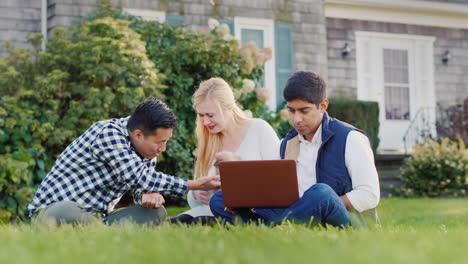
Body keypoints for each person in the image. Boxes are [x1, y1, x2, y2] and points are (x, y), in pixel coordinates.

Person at [210, 71, 380, 228]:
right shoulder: (287, 143)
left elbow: (369, 194)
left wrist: (316, 205)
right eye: (291, 111)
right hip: (295, 211)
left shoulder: (350, 138)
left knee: (321, 193)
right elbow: (274, 191)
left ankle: (273, 229)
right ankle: (282, 227)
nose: (296, 119)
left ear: (323, 106)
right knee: (220, 199)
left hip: (343, 219)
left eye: (304, 111)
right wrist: (243, 199)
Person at [28, 98, 220, 226]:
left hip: (99, 220)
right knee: (66, 209)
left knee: (156, 213)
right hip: (52, 214)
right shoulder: (107, 134)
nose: (163, 149)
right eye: (160, 142)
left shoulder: (146, 151)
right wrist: (195, 184)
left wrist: (146, 196)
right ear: (138, 135)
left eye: (166, 142)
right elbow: (140, 177)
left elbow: (140, 185)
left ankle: (100, 236)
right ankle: (105, 238)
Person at [169, 77, 280, 224]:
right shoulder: (209, 140)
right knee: (170, 224)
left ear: (228, 108)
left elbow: (280, 181)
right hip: (210, 210)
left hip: (252, 212)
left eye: (210, 115)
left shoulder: (259, 129)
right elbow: (199, 188)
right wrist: (196, 194)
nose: (205, 122)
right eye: (201, 115)